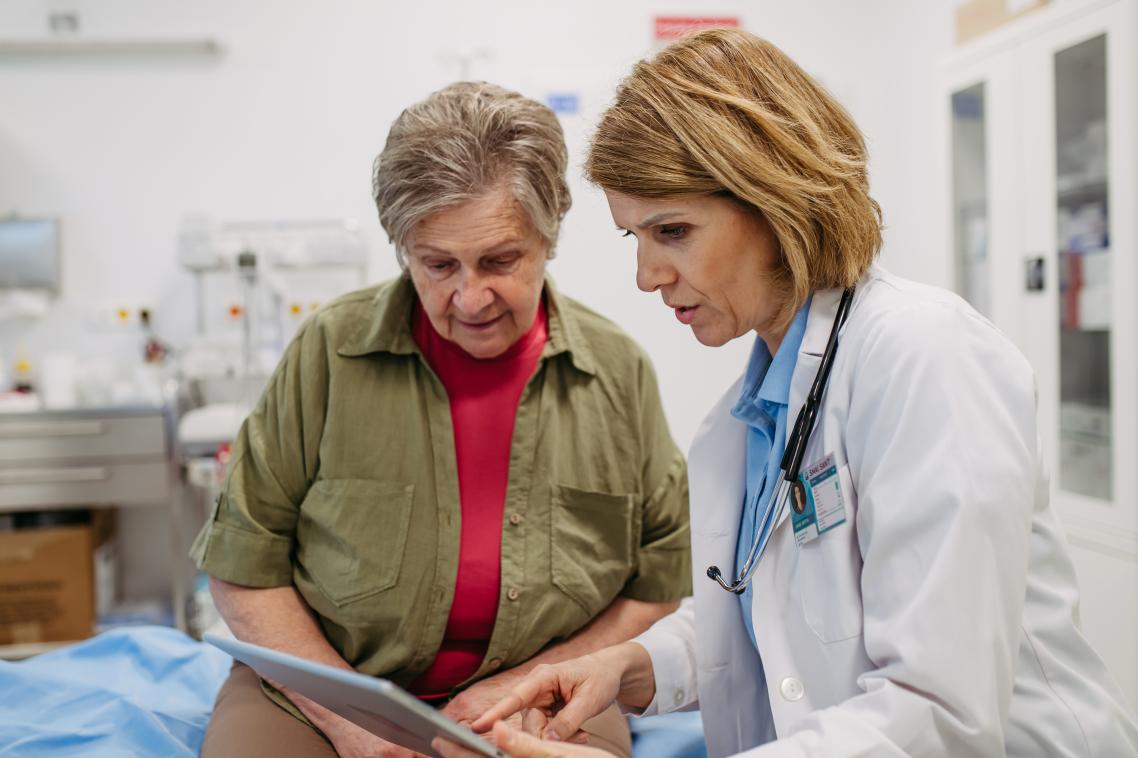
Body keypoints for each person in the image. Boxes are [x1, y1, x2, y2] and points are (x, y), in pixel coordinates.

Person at [436, 30, 1138, 758]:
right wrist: (630, 668)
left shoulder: (924, 358)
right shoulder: (748, 418)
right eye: (633, 238)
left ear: (775, 203)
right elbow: (765, 609)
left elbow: (937, 714)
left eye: (671, 230)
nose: (647, 276)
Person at [190, 81, 692, 758]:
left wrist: (532, 680)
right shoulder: (330, 354)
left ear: (549, 238)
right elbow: (242, 564)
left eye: (500, 261)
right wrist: (351, 725)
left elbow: (657, 581)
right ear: (403, 250)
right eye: (437, 264)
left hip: (541, 690)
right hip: (326, 689)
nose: (470, 296)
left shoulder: (617, 372)